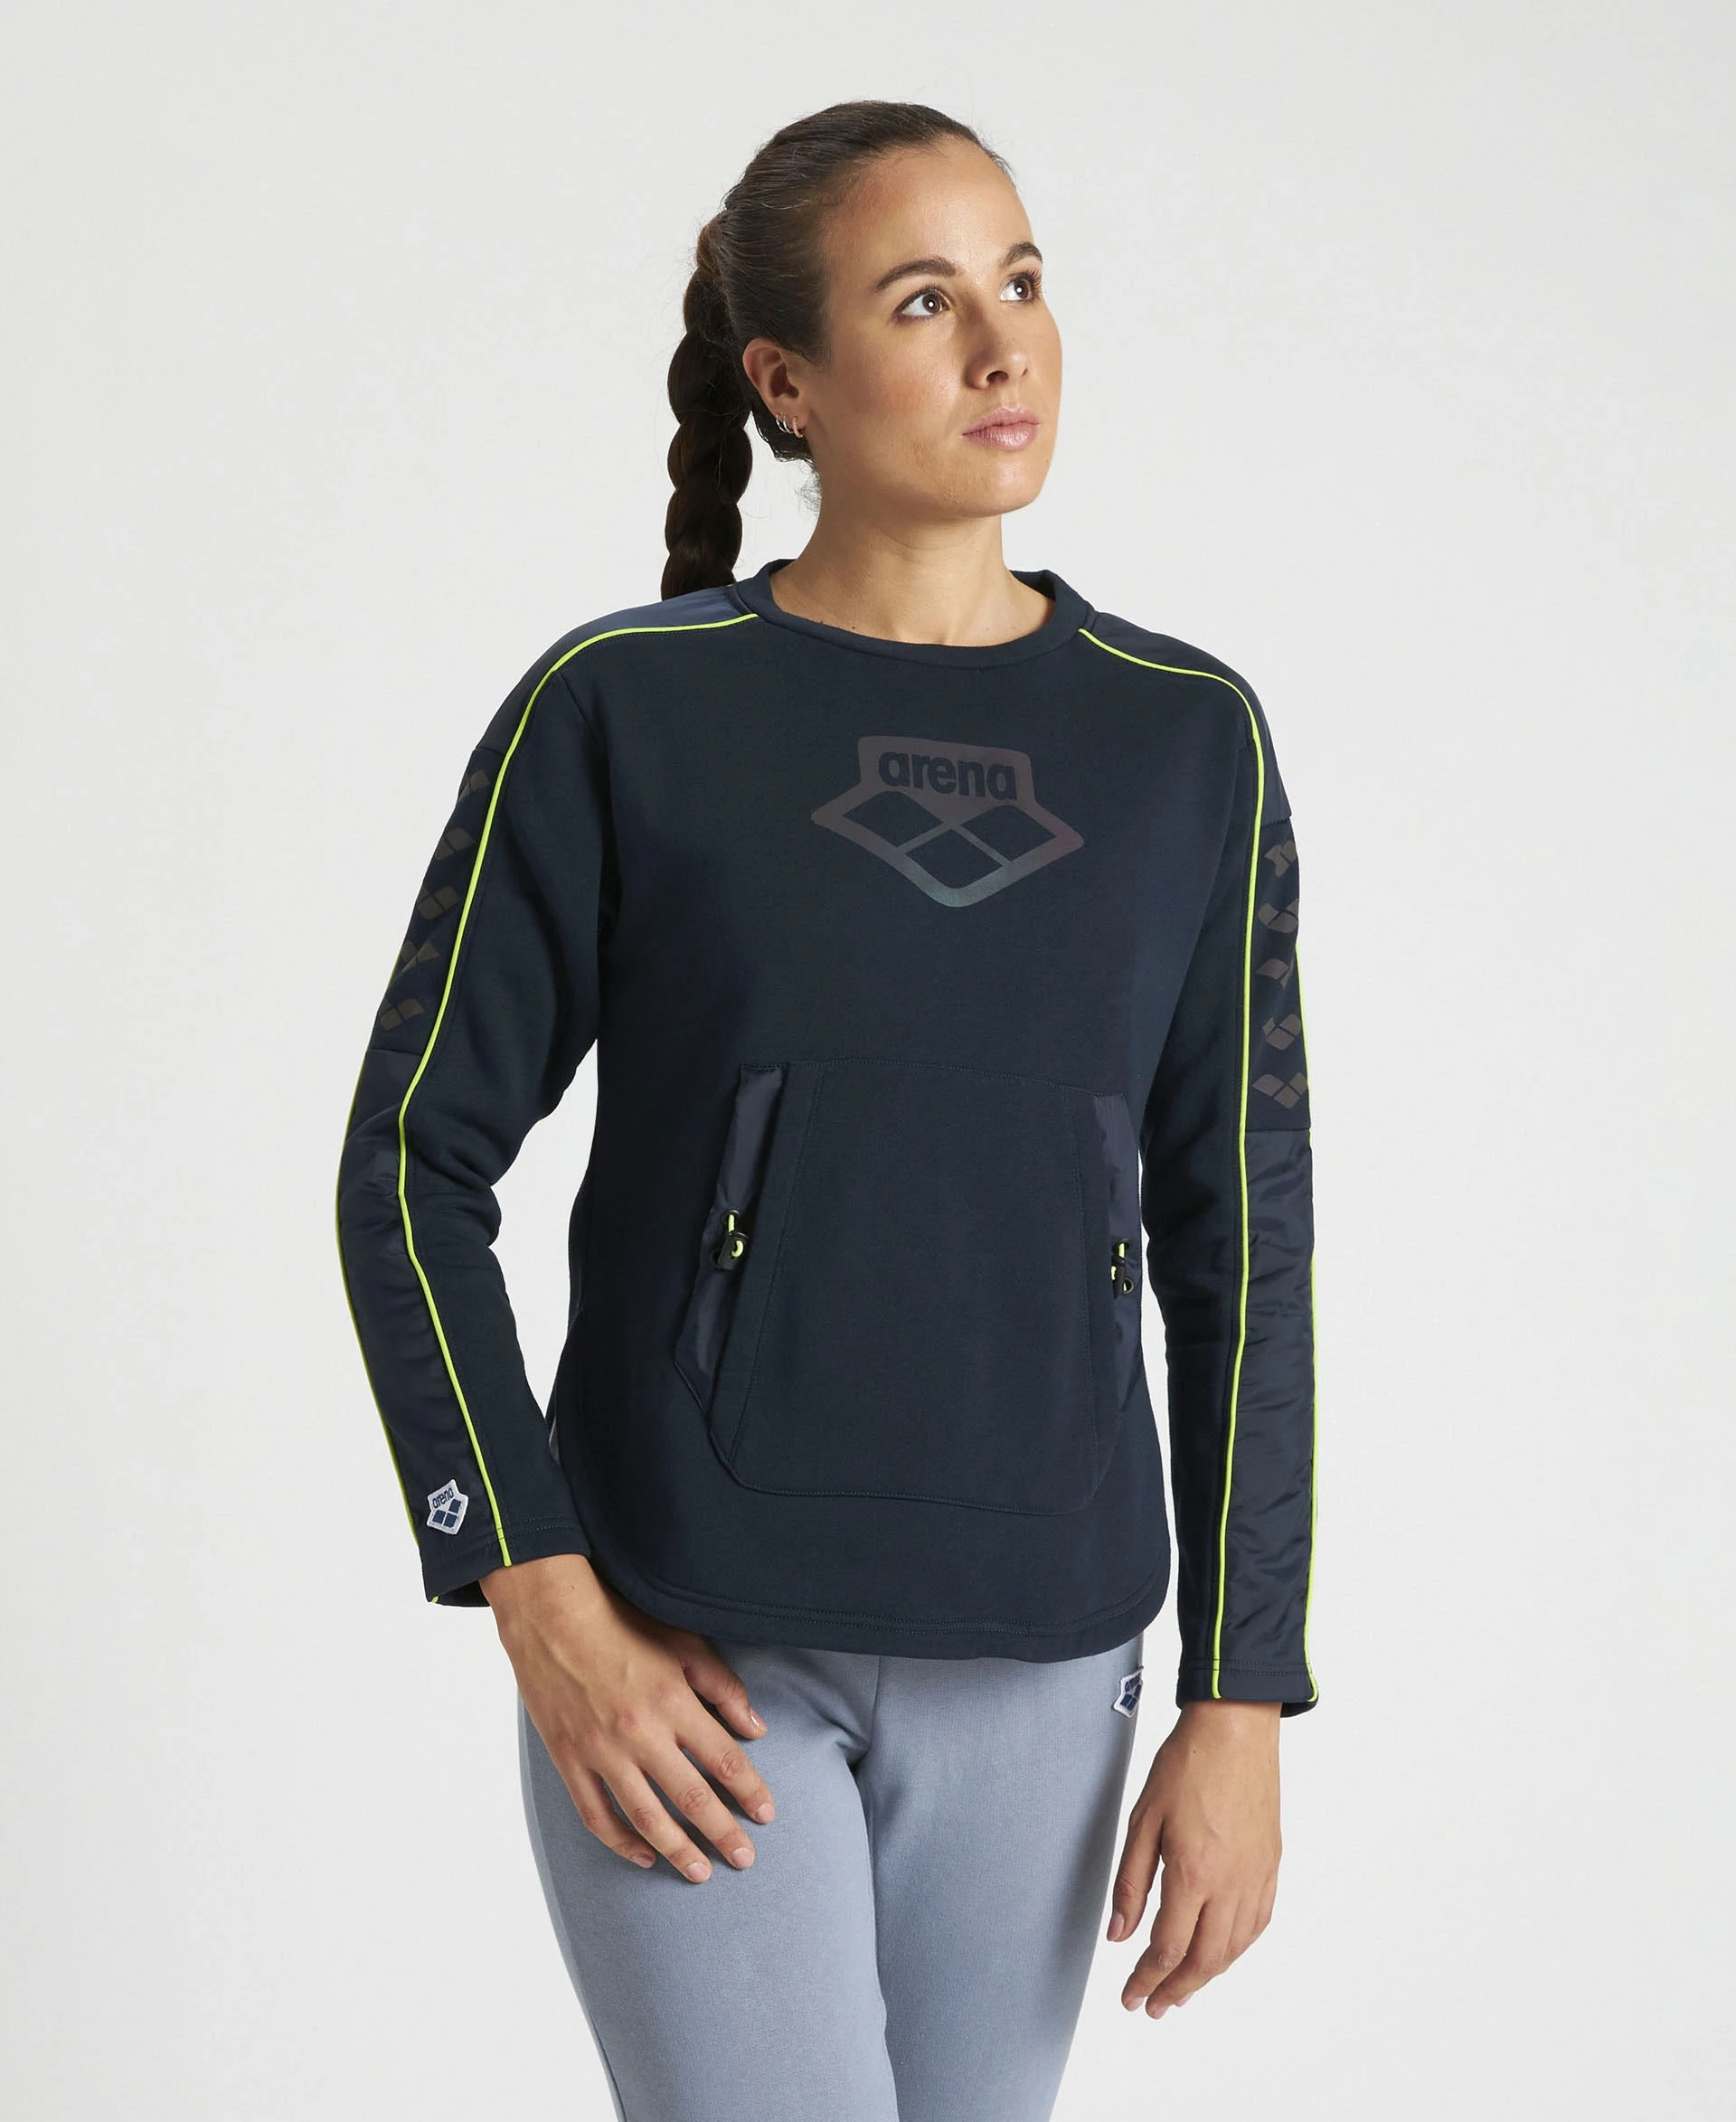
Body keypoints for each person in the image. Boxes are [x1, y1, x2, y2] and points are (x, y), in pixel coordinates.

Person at [335, 98, 1317, 2122]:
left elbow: (1248, 1234)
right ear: (785, 380)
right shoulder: (623, 709)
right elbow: (410, 1168)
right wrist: (535, 1593)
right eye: (925, 300)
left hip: (1045, 1661)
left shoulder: (1183, 740)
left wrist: (1244, 1690)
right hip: (693, 1658)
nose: (1006, 345)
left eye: (1023, 281)